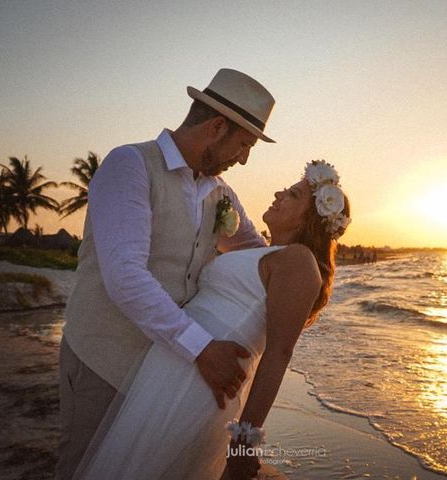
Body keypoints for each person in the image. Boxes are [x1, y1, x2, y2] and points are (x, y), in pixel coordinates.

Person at [57, 68, 277, 479]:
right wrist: (203, 349)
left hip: (160, 375)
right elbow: (125, 276)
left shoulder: (221, 192)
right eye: (244, 145)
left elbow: (263, 259)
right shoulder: (131, 164)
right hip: (103, 361)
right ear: (216, 127)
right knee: (85, 469)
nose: (244, 159)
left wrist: (312, 255)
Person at [74, 160, 351, 480]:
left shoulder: (299, 261)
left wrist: (245, 440)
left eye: (292, 194)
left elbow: (278, 354)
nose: (278, 193)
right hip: (176, 362)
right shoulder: (264, 252)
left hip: (204, 381)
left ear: (310, 220)